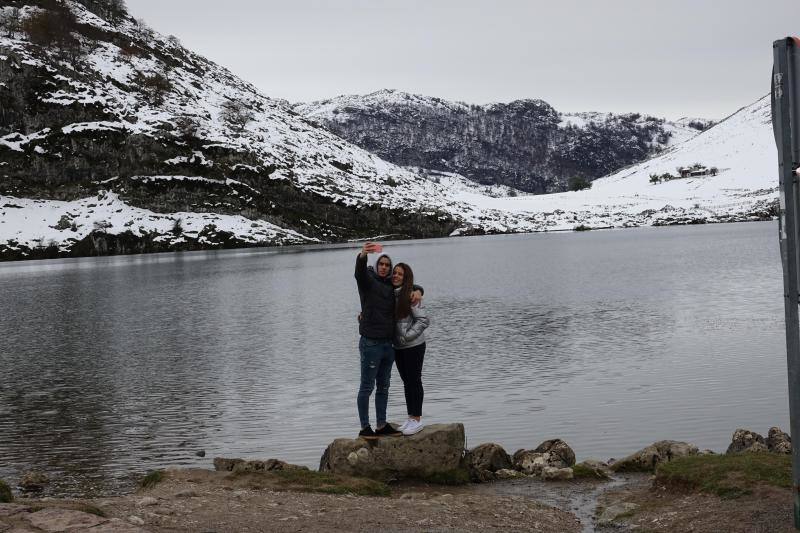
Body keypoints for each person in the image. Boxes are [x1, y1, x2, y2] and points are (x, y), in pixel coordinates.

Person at [354, 242, 422, 440]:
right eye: (381, 264)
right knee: (367, 387)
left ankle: (381, 425)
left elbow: (408, 285)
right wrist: (362, 255)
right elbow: (359, 273)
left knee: (384, 387)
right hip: (371, 343)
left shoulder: (390, 285)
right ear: (376, 265)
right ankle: (365, 428)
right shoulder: (368, 280)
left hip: (388, 345)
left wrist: (419, 291)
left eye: (387, 265)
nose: (384, 267)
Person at [391, 263, 429, 436]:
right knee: (407, 382)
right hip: (398, 347)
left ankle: (417, 419)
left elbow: (423, 320)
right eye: (395, 273)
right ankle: (410, 417)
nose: (396, 276)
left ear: (406, 278)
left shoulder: (411, 296)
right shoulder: (390, 293)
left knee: (414, 380)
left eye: (400, 274)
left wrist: (407, 336)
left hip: (414, 346)